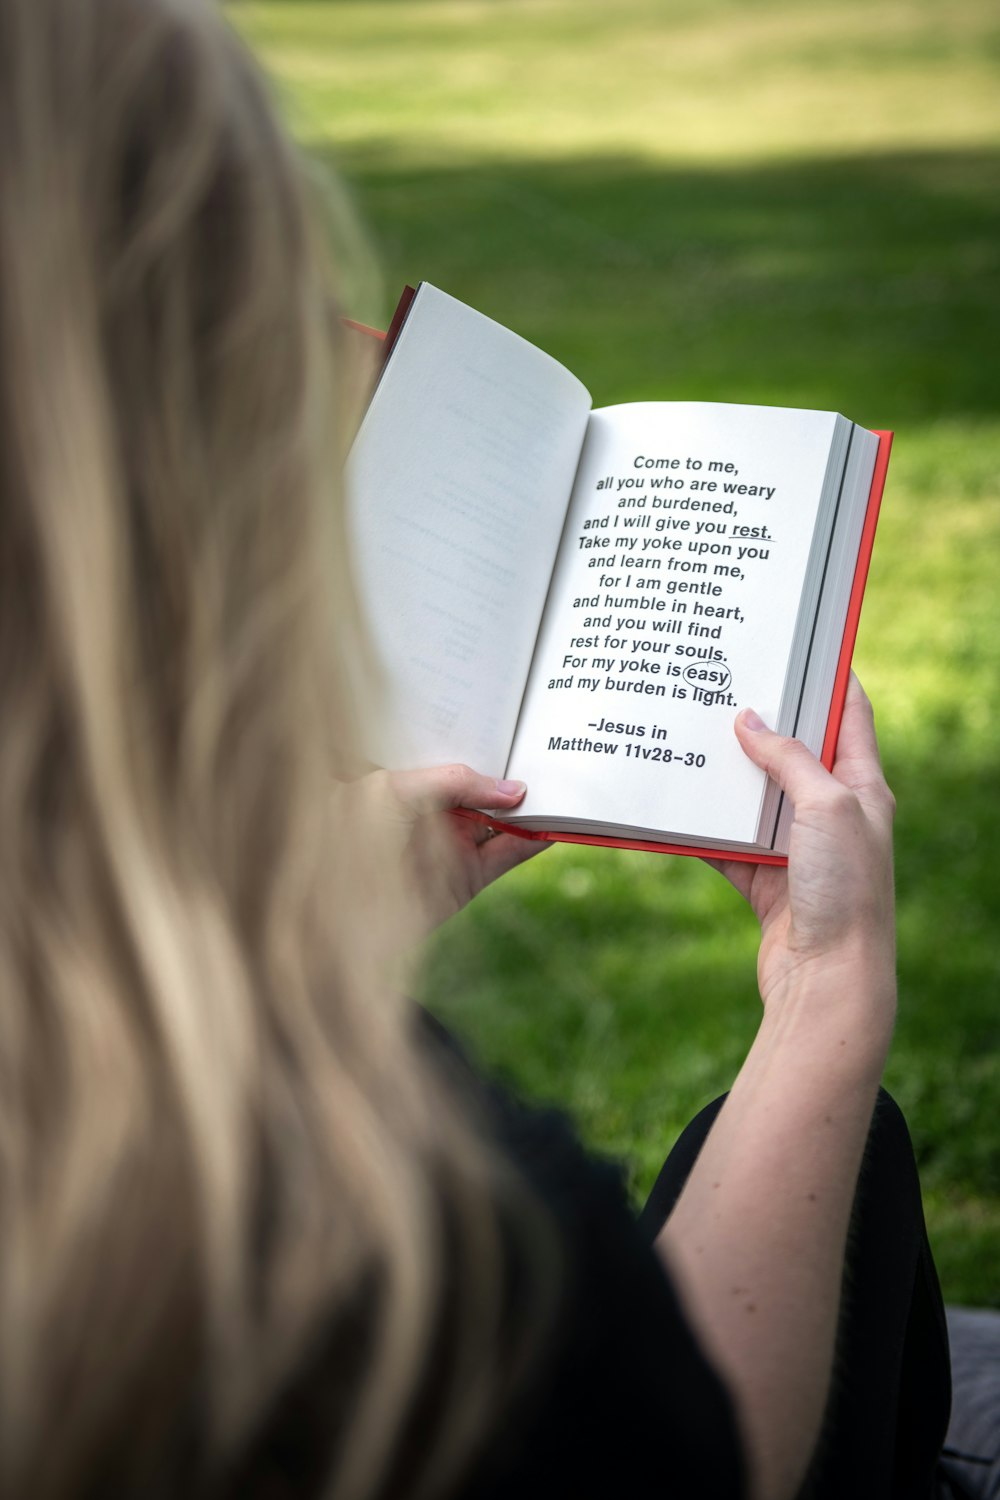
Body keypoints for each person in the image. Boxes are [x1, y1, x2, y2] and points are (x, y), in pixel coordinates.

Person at [0, 0, 981, 1497]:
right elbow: (697, 1464)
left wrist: (295, 960)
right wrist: (827, 1000)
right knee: (842, 1167)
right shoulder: (410, 1243)